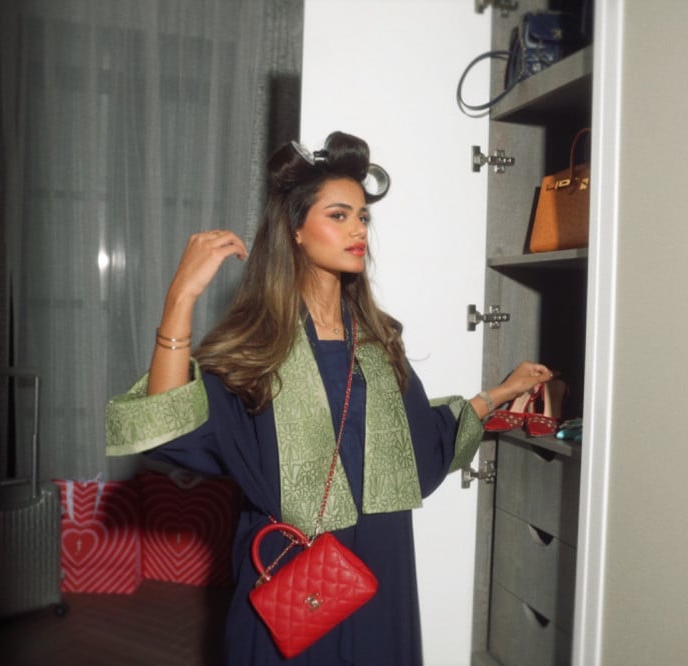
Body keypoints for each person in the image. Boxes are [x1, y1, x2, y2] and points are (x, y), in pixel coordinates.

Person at [105, 131, 553, 665]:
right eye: (338, 216)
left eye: (362, 217)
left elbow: (423, 442)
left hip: (380, 569)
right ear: (295, 230)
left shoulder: (377, 342)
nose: (358, 229)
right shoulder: (259, 346)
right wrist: (180, 298)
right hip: (293, 571)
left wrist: (499, 394)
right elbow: (165, 425)